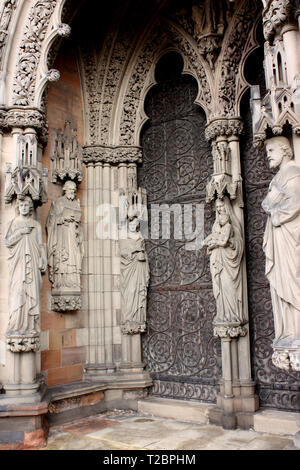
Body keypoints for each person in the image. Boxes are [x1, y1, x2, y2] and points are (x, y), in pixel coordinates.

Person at [262, 136, 300, 347]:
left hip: (290, 236)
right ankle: (288, 330)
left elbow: (295, 202)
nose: (268, 154)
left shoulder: (293, 173)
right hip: (280, 237)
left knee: (292, 277)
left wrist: (274, 211)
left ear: (286, 150)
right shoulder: (278, 178)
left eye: (271, 150)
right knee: (283, 281)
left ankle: (296, 330)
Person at [4, 196, 47, 334]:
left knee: (31, 292)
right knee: (18, 292)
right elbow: (7, 242)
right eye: (21, 205)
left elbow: (40, 245)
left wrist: (43, 259)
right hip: (18, 265)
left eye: (26, 205)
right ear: (18, 207)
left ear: (30, 208)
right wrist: (20, 232)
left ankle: (31, 326)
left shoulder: (36, 225)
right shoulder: (12, 223)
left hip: (33, 263)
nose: (23, 208)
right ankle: (16, 325)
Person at [202, 197, 244, 324]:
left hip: (228, 262)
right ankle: (222, 314)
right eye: (218, 207)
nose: (219, 209)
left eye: (221, 206)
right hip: (217, 259)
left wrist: (227, 243)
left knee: (228, 286)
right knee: (218, 285)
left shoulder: (231, 225)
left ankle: (232, 316)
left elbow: (238, 243)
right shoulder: (217, 224)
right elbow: (213, 237)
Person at [46, 180, 83, 291]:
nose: (73, 191)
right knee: (63, 257)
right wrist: (63, 218)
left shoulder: (75, 203)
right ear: (65, 189)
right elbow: (50, 221)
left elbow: (79, 224)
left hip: (73, 234)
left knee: (74, 256)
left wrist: (76, 221)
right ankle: (61, 282)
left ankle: (74, 281)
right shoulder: (58, 202)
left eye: (74, 189)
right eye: (70, 189)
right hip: (61, 235)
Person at [120, 215, 150, 334]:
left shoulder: (140, 237)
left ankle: (138, 319)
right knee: (130, 291)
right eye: (131, 224)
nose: (133, 226)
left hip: (139, 267)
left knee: (139, 291)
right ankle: (129, 318)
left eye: (135, 225)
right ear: (128, 224)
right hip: (128, 268)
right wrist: (133, 251)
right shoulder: (124, 237)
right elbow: (122, 252)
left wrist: (142, 256)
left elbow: (143, 251)